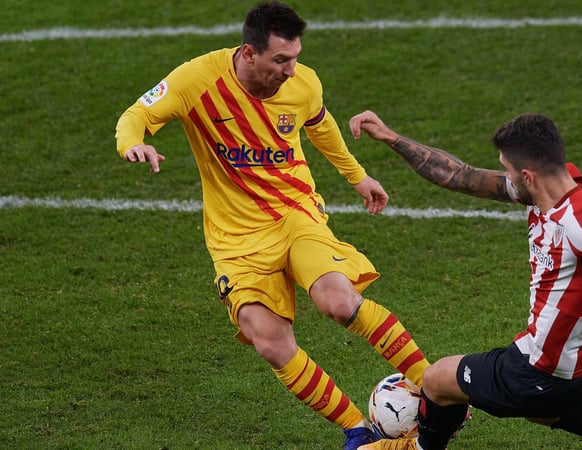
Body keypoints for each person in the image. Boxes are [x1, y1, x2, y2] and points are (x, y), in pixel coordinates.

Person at [114, 3, 430, 449]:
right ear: (249, 53)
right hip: (235, 238)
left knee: (338, 301)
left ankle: (436, 390)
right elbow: (137, 114)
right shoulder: (196, 80)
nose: (291, 69)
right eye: (281, 60)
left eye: (295, 57)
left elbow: (320, 125)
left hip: (295, 214)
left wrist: (357, 176)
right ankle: (358, 431)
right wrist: (133, 143)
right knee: (269, 341)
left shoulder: (303, 83)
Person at [348, 110, 582, 450]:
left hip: (540, 371)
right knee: (543, 409)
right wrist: (391, 137)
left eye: (507, 170)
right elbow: (460, 175)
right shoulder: (558, 186)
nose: (504, 177)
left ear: (528, 176)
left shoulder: (580, 220)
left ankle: (420, 448)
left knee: (436, 380)